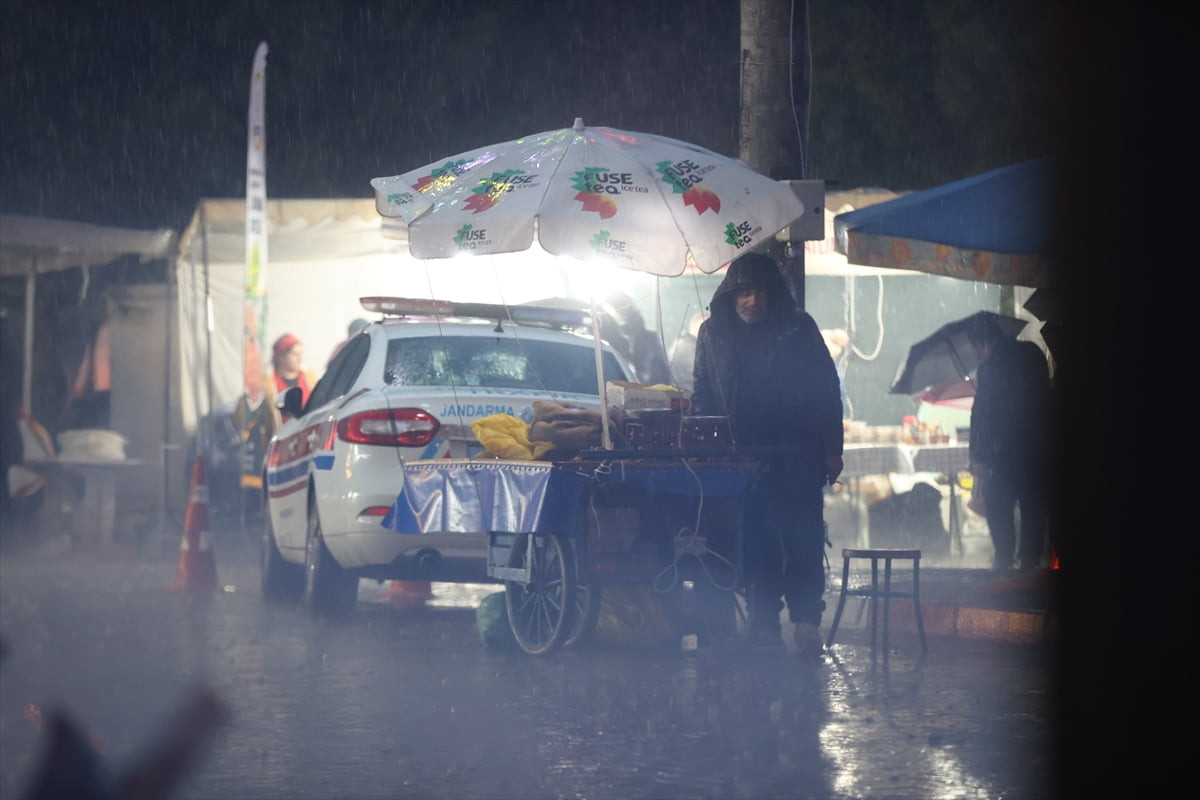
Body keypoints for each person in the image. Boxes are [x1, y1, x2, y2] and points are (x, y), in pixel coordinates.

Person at [691, 251, 844, 655]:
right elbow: (702, 391)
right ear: (731, 295)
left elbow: (826, 389)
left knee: (803, 540)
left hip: (797, 455)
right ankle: (763, 624)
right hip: (743, 461)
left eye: (759, 292)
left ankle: (807, 621)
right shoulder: (713, 333)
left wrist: (833, 450)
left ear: (772, 293)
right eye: (744, 292)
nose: (752, 301)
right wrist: (709, 443)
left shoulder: (798, 328)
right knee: (755, 543)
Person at [967, 318, 1053, 572]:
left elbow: (981, 415)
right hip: (1038, 446)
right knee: (1033, 503)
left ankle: (1004, 558)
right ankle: (1030, 559)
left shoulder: (989, 368)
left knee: (998, 502)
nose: (978, 354)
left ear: (982, 342)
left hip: (1004, 449)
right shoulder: (1033, 354)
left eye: (976, 348)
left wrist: (978, 455)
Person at [270, 333, 316, 420]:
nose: (300, 359)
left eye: (300, 354)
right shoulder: (269, 385)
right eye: (295, 355)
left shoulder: (310, 379)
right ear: (281, 357)